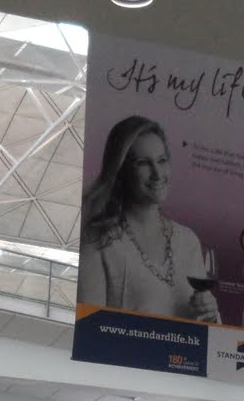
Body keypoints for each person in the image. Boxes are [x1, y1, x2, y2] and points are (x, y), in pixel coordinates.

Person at [76, 115, 220, 323]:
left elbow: (205, 334)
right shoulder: (99, 241)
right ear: (121, 171)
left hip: (180, 355)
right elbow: (89, 329)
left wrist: (211, 315)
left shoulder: (188, 241)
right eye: (143, 163)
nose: (157, 173)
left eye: (162, 160)